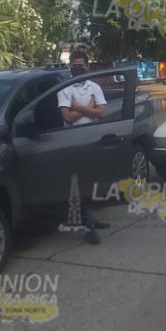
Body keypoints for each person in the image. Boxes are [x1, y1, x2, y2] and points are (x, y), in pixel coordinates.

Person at [57, 50, 110, 244]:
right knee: (81, 186)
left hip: (94, 139)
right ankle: (89, 228)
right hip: (74, 141)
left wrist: (78, 107)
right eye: (74, 66)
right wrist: (89, 107)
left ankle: (92, 219)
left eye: (81, 66)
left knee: (93, 183)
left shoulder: (94, 87)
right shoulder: (64, 89)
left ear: (87, 67)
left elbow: (101, 113)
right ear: (70, 67)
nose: (77, 69)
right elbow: (68, 118)